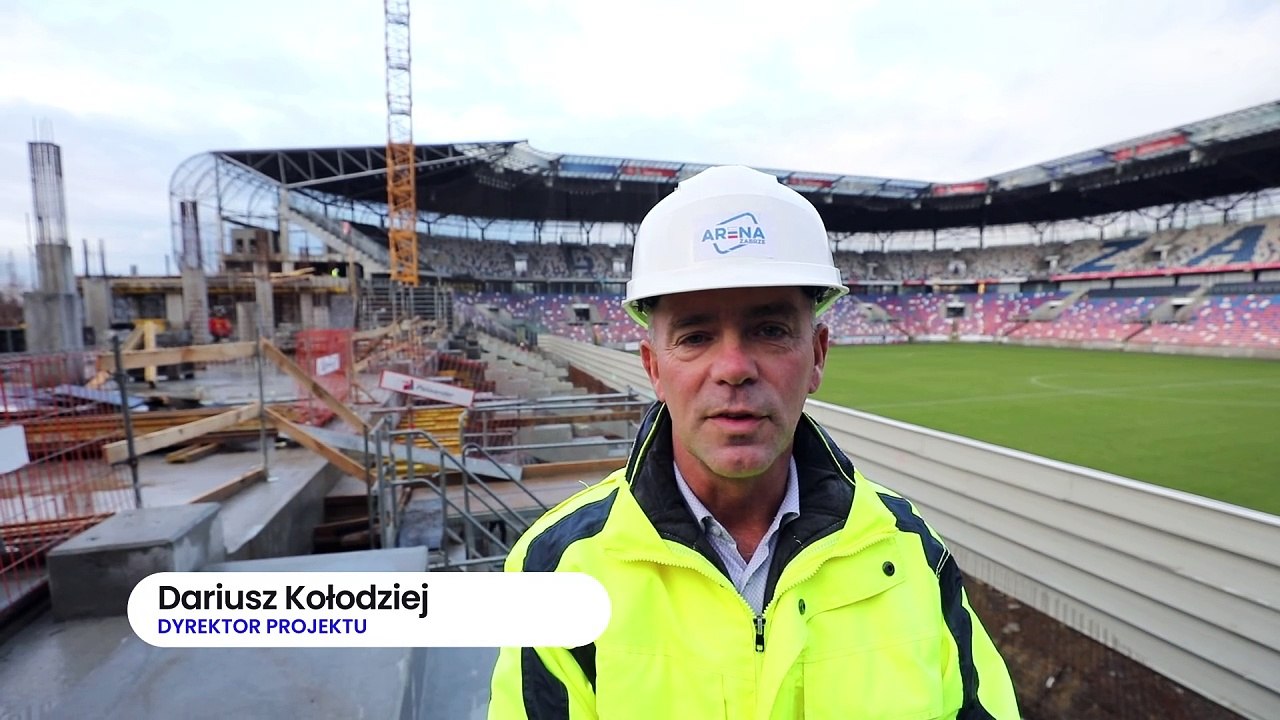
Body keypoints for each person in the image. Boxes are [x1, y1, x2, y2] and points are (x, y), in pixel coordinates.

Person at [488, 166, 1018, 719]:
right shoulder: (556, 568)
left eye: (768, 331)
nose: (735, 368)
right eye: (695, 337)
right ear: (654, 369)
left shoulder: (911, 554)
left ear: (817, 355)